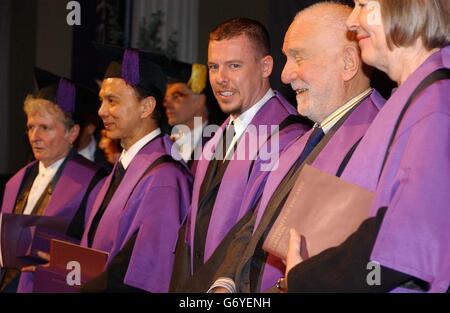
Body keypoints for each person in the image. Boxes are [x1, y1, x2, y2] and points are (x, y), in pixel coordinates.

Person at [189, 2, 385, 293]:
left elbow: (372, 271)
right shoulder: (301, 143)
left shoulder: (380, 145)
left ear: (347, 63)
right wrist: (224, 284)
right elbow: (254, 227)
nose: (285, 74)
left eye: (298, 57)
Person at [284, 0, 450, 293]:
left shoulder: (436, 101)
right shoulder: (416, 95)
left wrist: (306, 279)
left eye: (363, 4)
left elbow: (405, 248)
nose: (351, 20)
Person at [170, 17, 309, 291]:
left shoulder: (288, 137)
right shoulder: (218, 136)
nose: (220, 79)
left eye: (234, 66)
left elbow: (260, 231)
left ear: (265, 67)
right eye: (213, 66)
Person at [76, 46, 192, 293]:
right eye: (101, 101)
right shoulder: (121, 168)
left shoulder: (165, 178)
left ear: (146, 107)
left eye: (112, 101)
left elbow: (143, 274)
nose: (101, 111)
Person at [0, 75, 107, 292]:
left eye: (45, 128)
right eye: (31, 127)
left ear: (72, 132)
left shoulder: (95, 182)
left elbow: (99, 255)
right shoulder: (17, 181)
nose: (34, 137)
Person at [164, 63, 224, 174]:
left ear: (199, 102)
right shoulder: (164, 144)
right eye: (166, 100)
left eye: (176, 97)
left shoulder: (221, 145)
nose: (167, 104)